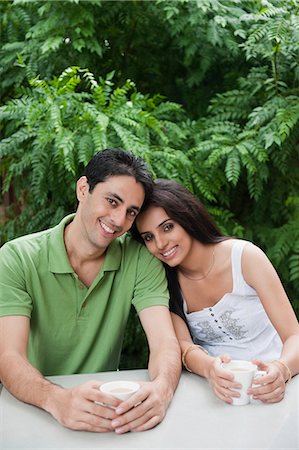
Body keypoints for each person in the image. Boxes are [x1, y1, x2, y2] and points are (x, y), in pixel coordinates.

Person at [0, 149, 181, 433]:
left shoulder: (140, 259)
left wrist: (162, 390)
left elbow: (165, 343)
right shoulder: (16, 258)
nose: (119, 220)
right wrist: (57, 399)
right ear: (83, 189)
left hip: (109, 412)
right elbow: (8, 357)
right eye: (112, 201)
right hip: (33, 408)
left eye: (131, 212)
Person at [132, 178, 299, 405]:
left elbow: (294, 335)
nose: (160, 244)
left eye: (167, 227)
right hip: (218, 392)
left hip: (279, 386)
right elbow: (183, 346)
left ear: (187, 217)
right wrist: (210, 368)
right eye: (148, 237)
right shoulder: (164, 280)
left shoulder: (245, 258)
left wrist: (281, 370)